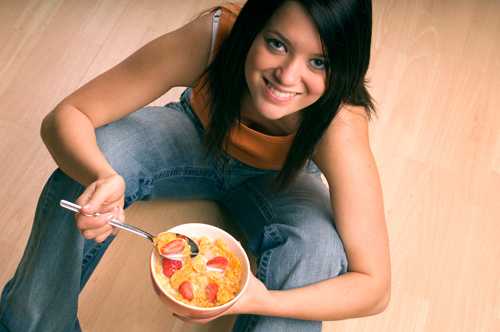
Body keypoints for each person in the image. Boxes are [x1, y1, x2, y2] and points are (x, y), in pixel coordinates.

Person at [0, 0, 390, 331]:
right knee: (94, 160)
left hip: (281, 180)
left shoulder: (341, 122)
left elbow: (374, 287)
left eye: (319, 62)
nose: (287, 76)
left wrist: (261, 300)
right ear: (251, 31)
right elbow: (67, 116)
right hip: (194, 133)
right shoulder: (213, 38)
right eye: (276, 44)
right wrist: (100, 175)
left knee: (318, 249)